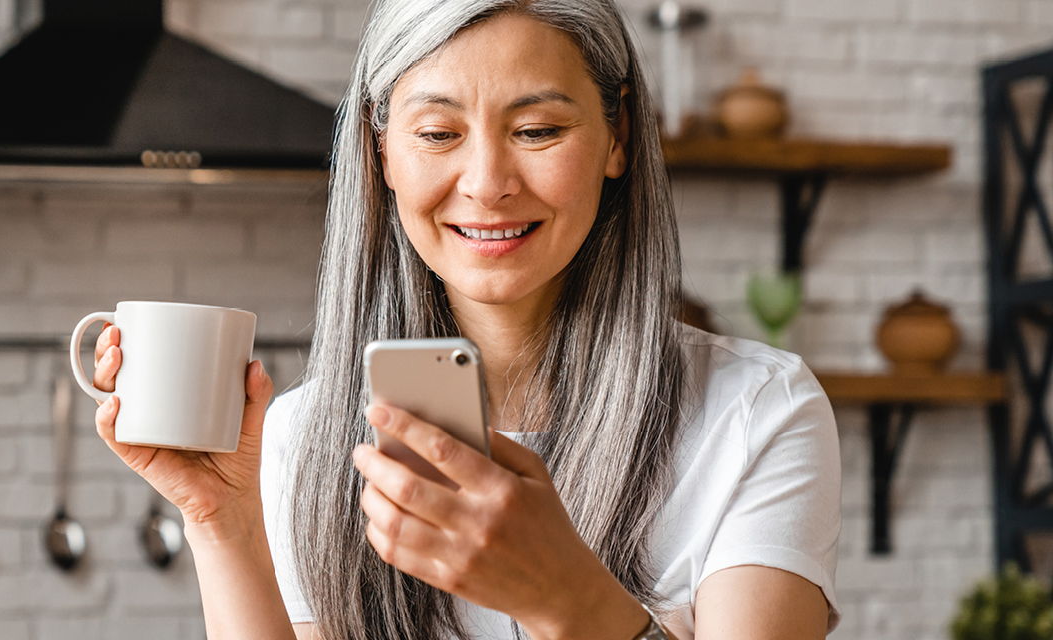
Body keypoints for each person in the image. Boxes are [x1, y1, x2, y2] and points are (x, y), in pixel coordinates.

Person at [86, 0, 840, 638]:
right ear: (381, 151)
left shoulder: (758, 413)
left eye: (537, 130)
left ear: (618, 136)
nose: (486, 185)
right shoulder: (305, 437)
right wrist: (224, 524)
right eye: (439, 134)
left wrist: (569, 600)